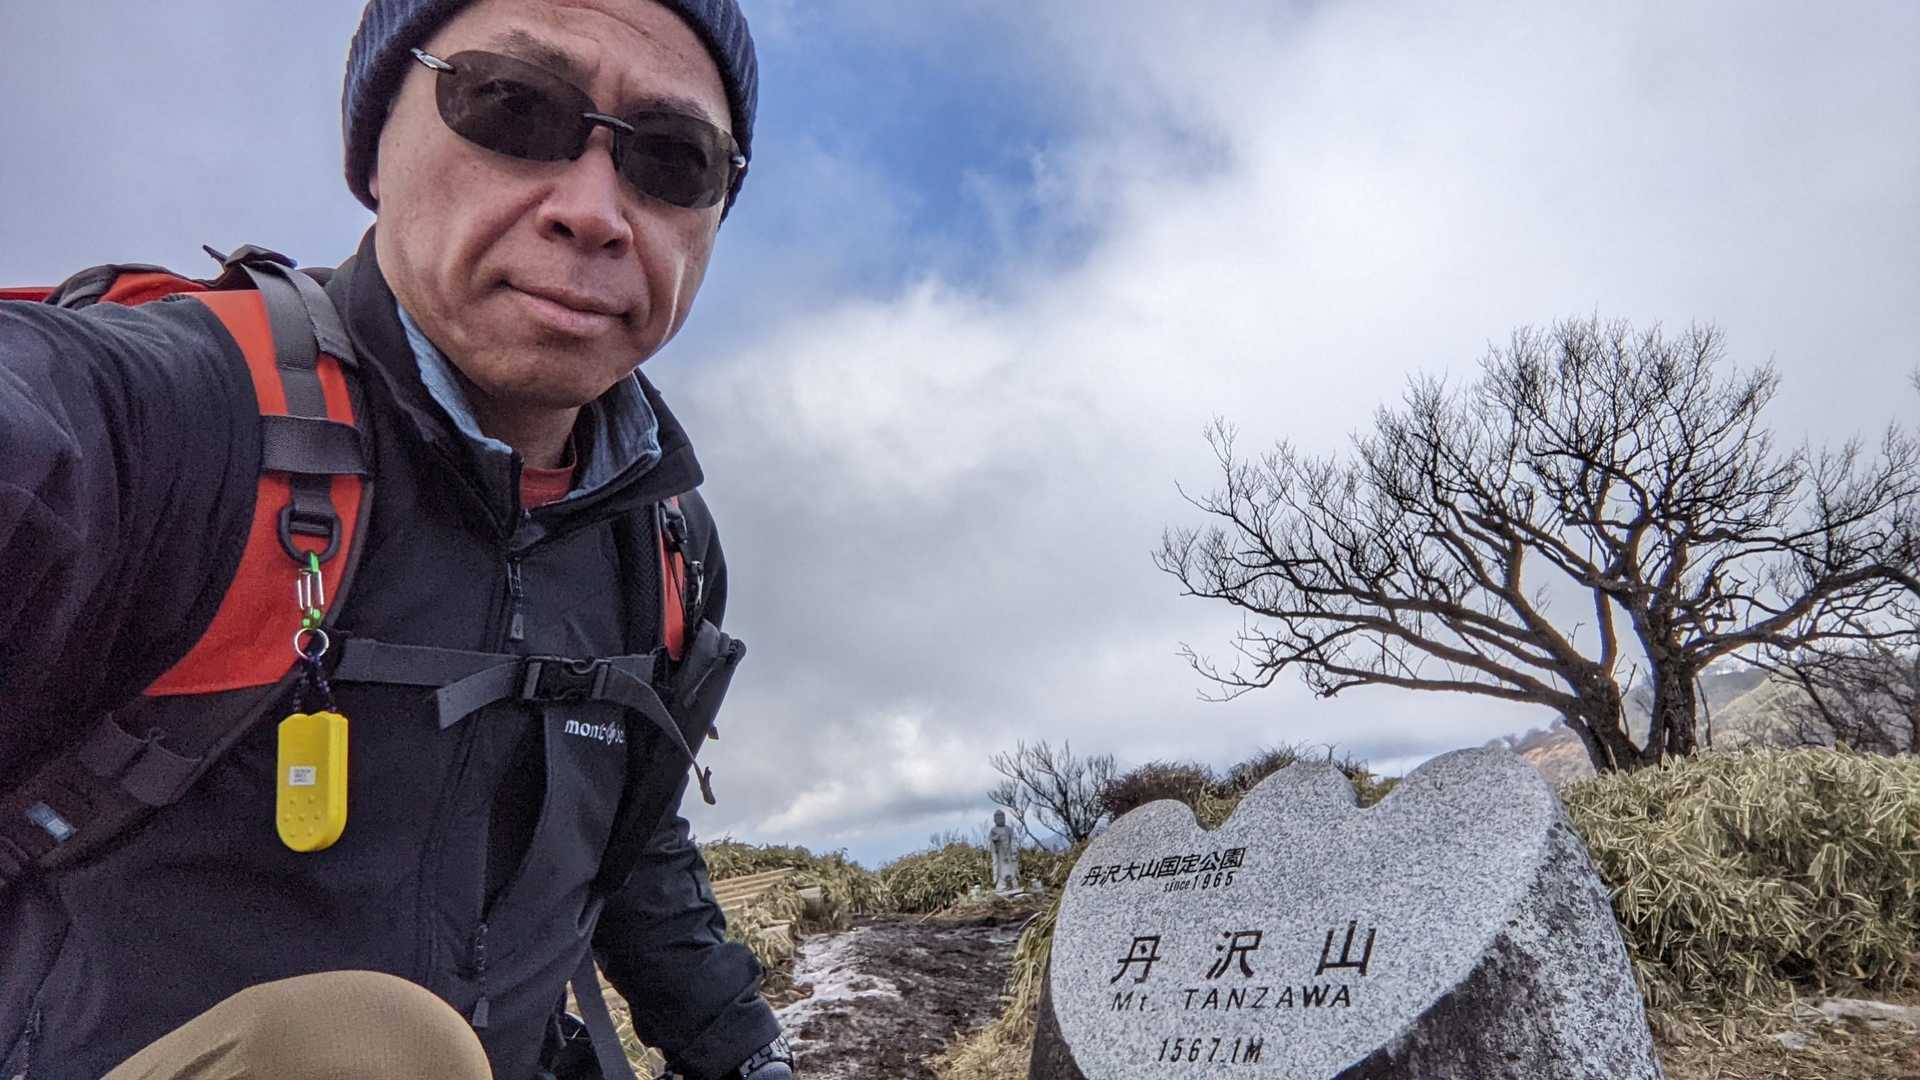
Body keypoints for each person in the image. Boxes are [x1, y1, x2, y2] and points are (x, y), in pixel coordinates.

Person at [0, 1, 793, 1077]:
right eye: (512, 106)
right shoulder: (183, 414)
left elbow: (630, 842)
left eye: (673, 159)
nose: (594, 211)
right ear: (373, 148)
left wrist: (746, 1057)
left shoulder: (663, 544)